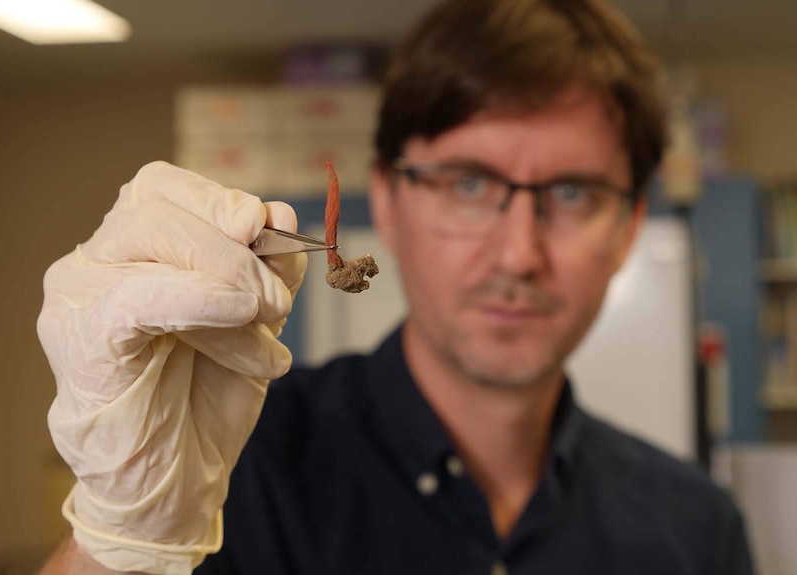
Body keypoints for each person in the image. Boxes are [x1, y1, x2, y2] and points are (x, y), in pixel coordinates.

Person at [37, 0, 755, 574]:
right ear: (387, 198)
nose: (519, 252)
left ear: (629, 225)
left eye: (572, 192)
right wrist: (122, 539)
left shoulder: (698, 529)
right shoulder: (233, 471)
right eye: (469, 183)